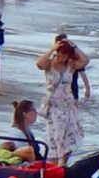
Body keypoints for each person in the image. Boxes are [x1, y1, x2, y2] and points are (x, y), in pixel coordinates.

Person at [36, 35, 88, 163]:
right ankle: (56, 165)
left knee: (70, 138)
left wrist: (73, 46)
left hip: (67, 106)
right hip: (53, 107)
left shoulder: (70, 65)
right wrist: (52, 48)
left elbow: (85, 60)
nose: (63, 57)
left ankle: (62, 163)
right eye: (61, 53)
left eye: (65, 54)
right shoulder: (50, 64)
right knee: (56, 138)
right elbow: (39, 64)